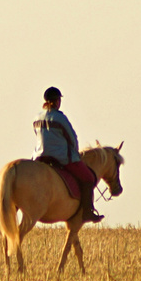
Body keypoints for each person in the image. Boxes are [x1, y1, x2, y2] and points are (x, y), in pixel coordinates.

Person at [33, 86, 102, 223]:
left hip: (39, 156)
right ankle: (87, 212)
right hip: (60, 158)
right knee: (88, 178)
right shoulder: (60, 118)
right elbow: (72, 138)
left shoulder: (37, 118)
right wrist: (75, 154)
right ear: (57, 101)